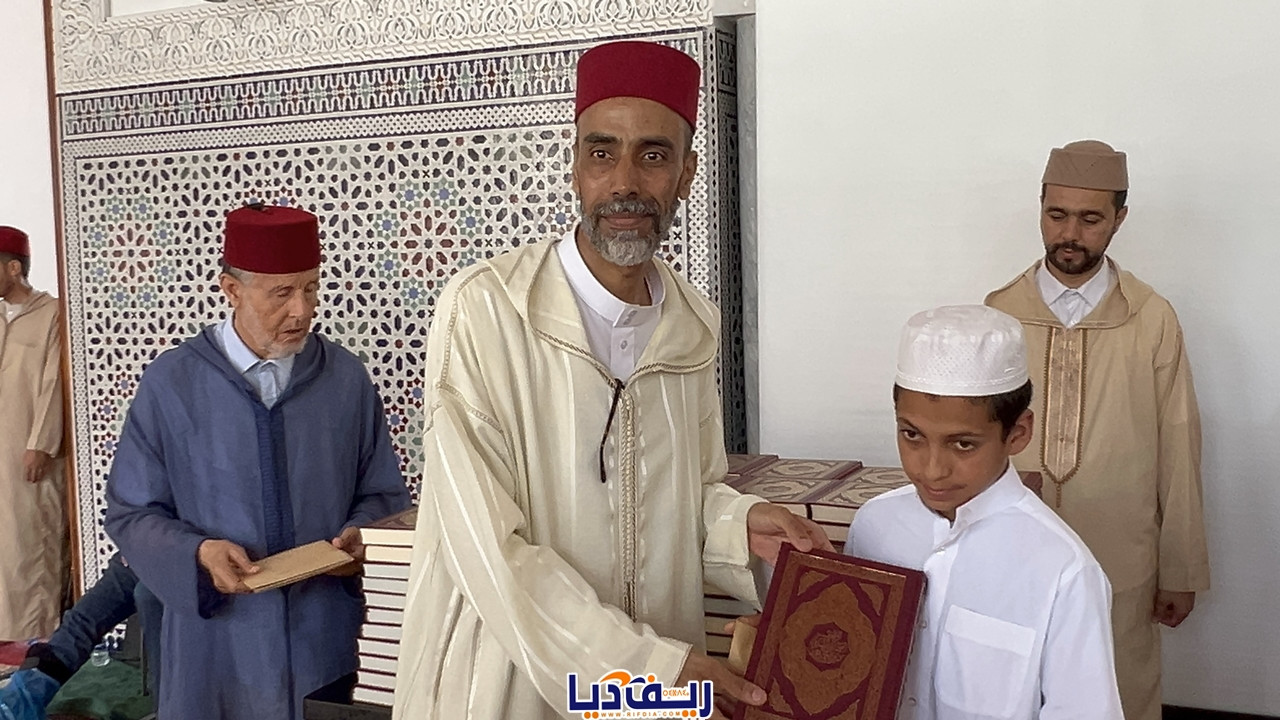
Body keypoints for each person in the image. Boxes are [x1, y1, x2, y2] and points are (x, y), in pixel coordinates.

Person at [392, 40, 831, 720]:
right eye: (602, 152)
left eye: (653, 156)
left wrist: (738, 524)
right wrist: (643, 668)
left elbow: (687, 494)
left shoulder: (691, 325)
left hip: (652, 685)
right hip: (510, 684)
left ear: (686, 173)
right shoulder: (486, 311)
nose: (624, 181)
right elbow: (483, 543)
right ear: (575, 166)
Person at [104, 204, 411, 720]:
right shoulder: (172, 383)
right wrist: (198, 554)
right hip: (217, 648)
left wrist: (363, 535)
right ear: (232, 290)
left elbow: (383, 495)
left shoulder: (344, 379)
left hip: (324, 639)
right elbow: (132, 512)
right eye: (281, 293)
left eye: (311, 288)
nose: (302, 310)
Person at [985, 140, 1209, 720]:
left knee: (1117, 690)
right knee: (1013, 687)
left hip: (1121, 557)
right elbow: (975, 437)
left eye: (1090, 219)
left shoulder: (1151, 318)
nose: (1070, 234)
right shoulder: (999, 313)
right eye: (1056, 214)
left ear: (1119, 218)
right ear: (1040, 209)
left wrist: (1180, 568)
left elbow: (1179, 447)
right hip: (1016, 546)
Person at [845, 304, 1121, 718]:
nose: (932, 469)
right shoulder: (874, 525)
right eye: (912, 435)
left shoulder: (1062, 570)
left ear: (1018, 433)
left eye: (963, 444)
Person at [0, 226, 66, 642]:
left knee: (30, 541)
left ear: (13, 268)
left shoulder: (52, 314)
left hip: (30, 453)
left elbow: (54, 383)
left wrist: (41, 443)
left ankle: (36, 638)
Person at [0, 553, 162, 720]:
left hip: (170, 567)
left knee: (147, 597)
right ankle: (21, 697)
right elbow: (81, 624)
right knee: (78, 626)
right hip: (141, 558)